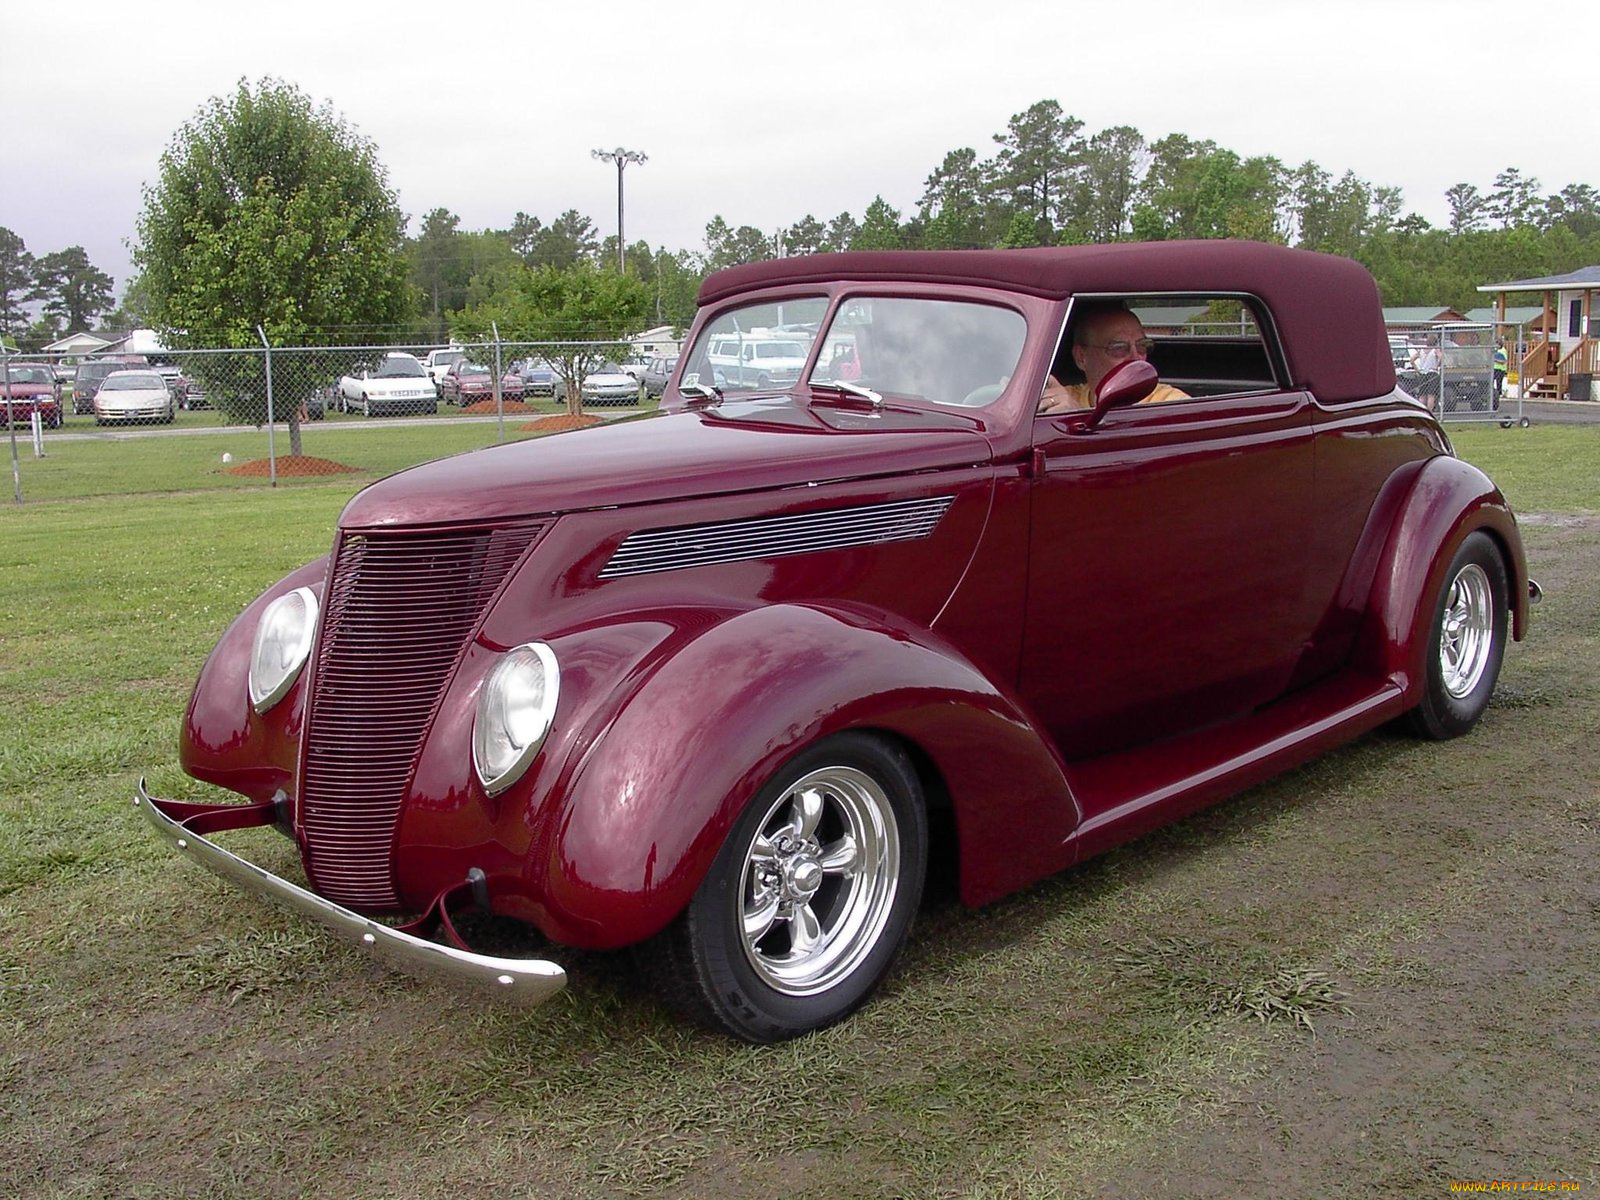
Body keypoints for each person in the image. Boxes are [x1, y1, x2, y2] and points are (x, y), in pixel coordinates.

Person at [1038, 303, 1189, 414]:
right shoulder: (1066, 397)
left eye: (1142, 345)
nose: (1136, 358)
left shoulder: (1168, 403)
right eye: (1119, 348)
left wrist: (1076, 416)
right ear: (1081, 358)